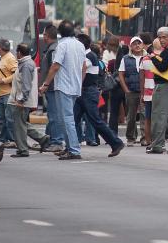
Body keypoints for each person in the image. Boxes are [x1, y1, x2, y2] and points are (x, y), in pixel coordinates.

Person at [39, 21, 87, 161]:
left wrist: (46, 84)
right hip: (75, 87)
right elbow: (84, 67)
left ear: (60, 33)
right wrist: (79, 82)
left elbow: (55, 66)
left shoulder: (62, 45)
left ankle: (74, 149)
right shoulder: (80, 45)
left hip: (64, 86)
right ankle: (69, 147)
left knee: (66, 119)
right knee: (65, 119)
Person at [73, 34, 124, 157]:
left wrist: (76, 87)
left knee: (96, 121)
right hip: (84, 92)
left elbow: (82, 70)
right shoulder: (86, 55)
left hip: (88, 92)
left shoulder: (88, 56)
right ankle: (71, 147)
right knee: (73, 120)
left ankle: (116, 143)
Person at [6, 43, 50, 157]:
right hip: (22, 99)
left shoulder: (25, 65)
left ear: (19, 53)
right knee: (21, 123)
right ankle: (42, 138)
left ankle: (23, 149)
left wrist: (21, 100)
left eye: (17, 52)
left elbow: (26, 85)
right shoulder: (27, 63)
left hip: (22, 100)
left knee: (19, 125)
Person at [148, 27, 168, 154]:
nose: (161, 40)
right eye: (159, 37)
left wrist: (152, 57)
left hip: (164, 86)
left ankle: (157, 145)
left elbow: (161, 68)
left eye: (164, 37)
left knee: (159, 116)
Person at [118, 36, 147, 146]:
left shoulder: (147, 57)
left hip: (145, 90)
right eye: (134, 44)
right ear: (131, 46)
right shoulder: (125, 58)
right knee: (131, 116)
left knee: (145, 115)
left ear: (142, 45)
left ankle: (145, 137)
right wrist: (126, 89)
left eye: (139, 43)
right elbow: (121, 74)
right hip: (131, 90)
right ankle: (130, 137)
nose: (137, 45)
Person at [40, 25, 64, 152]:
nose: (43, 36)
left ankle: (57, 141)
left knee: (55, 116)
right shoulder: (51, 49)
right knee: (51, 115)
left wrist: (46, 84)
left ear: (47, 36)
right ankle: (49, 140)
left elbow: (54, 68)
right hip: (51, 87)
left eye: (44, 34)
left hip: (53, 88)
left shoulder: (54, 49)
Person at [0, 39, 17, 146]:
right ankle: (3, 139)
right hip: (1, 93)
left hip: (8, 93)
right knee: (1, 118)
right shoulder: (3, 58)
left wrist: (3, 81)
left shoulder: (10, 58)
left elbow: (15, 74)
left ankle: (12, 140)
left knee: (9, 118)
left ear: (0, 48)